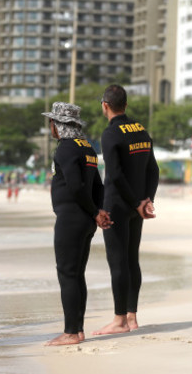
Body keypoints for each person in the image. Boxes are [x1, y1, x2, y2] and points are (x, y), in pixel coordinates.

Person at [41, 102, 112, 346]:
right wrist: (99, 211)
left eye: (52, 122)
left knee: (67, 274)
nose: (51, 127)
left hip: (71, 218)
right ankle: (77, 330)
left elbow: (75, 186)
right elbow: (98, 186)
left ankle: (71, 332)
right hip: (86, 220)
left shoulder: (66, 149)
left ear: (59, 124)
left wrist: (95, 212)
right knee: (76, 274)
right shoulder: (88, 148)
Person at [93, 84, 159, 336]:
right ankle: (132, 316)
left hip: (118, 206)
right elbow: (153, 169)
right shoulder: (141, 129)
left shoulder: (110, 134)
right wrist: (146, 201)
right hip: (137, 206)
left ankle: (119, 320)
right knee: (132, 259)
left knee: (118, 262)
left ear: (105, 106)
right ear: (126, 105)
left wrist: (134, 202)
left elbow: (116, 175)